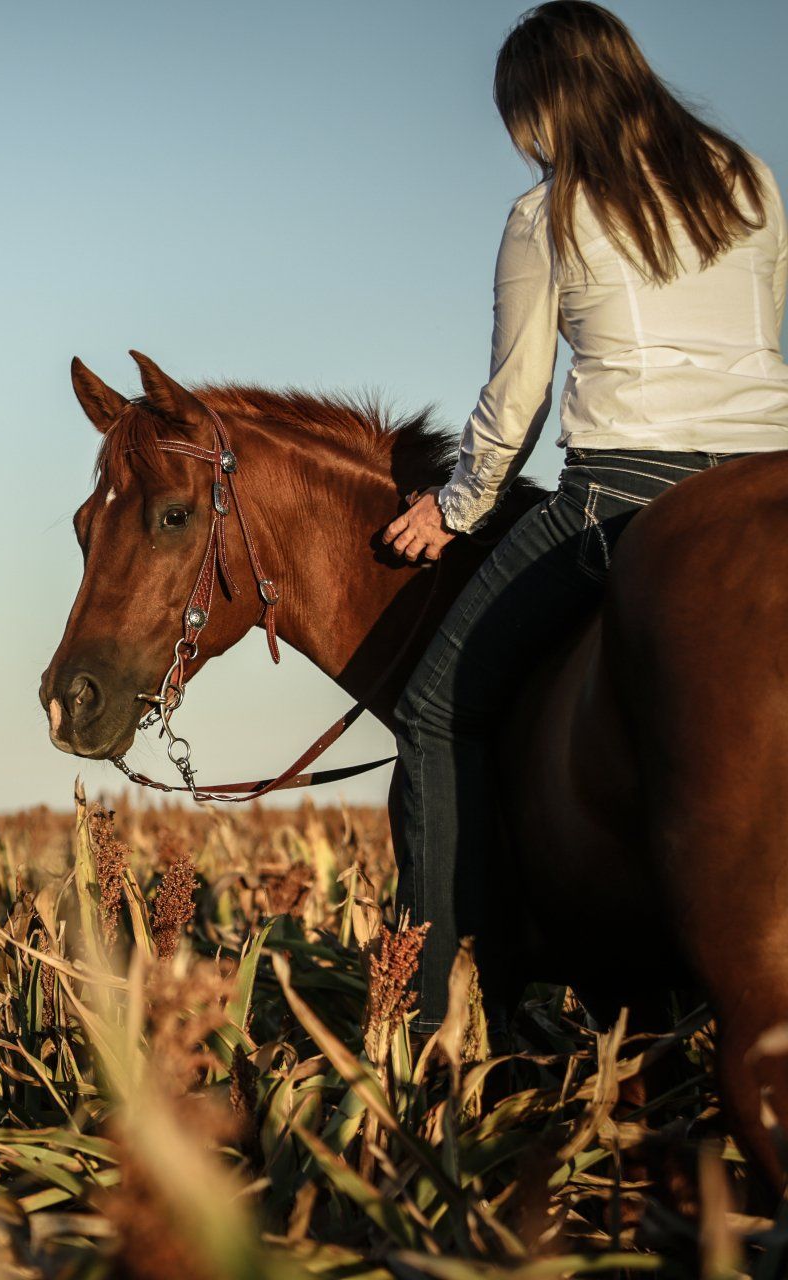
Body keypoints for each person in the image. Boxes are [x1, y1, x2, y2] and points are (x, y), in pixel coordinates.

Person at [379, 0, 788, 1034]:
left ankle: (438, 1014)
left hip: (627, 485)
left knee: (434, 712)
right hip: (772, 465)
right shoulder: (746, 177)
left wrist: (457, 506)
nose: (523, 138)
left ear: (545, 100)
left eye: (521, 115)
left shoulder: (548, 213)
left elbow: (516, 394)